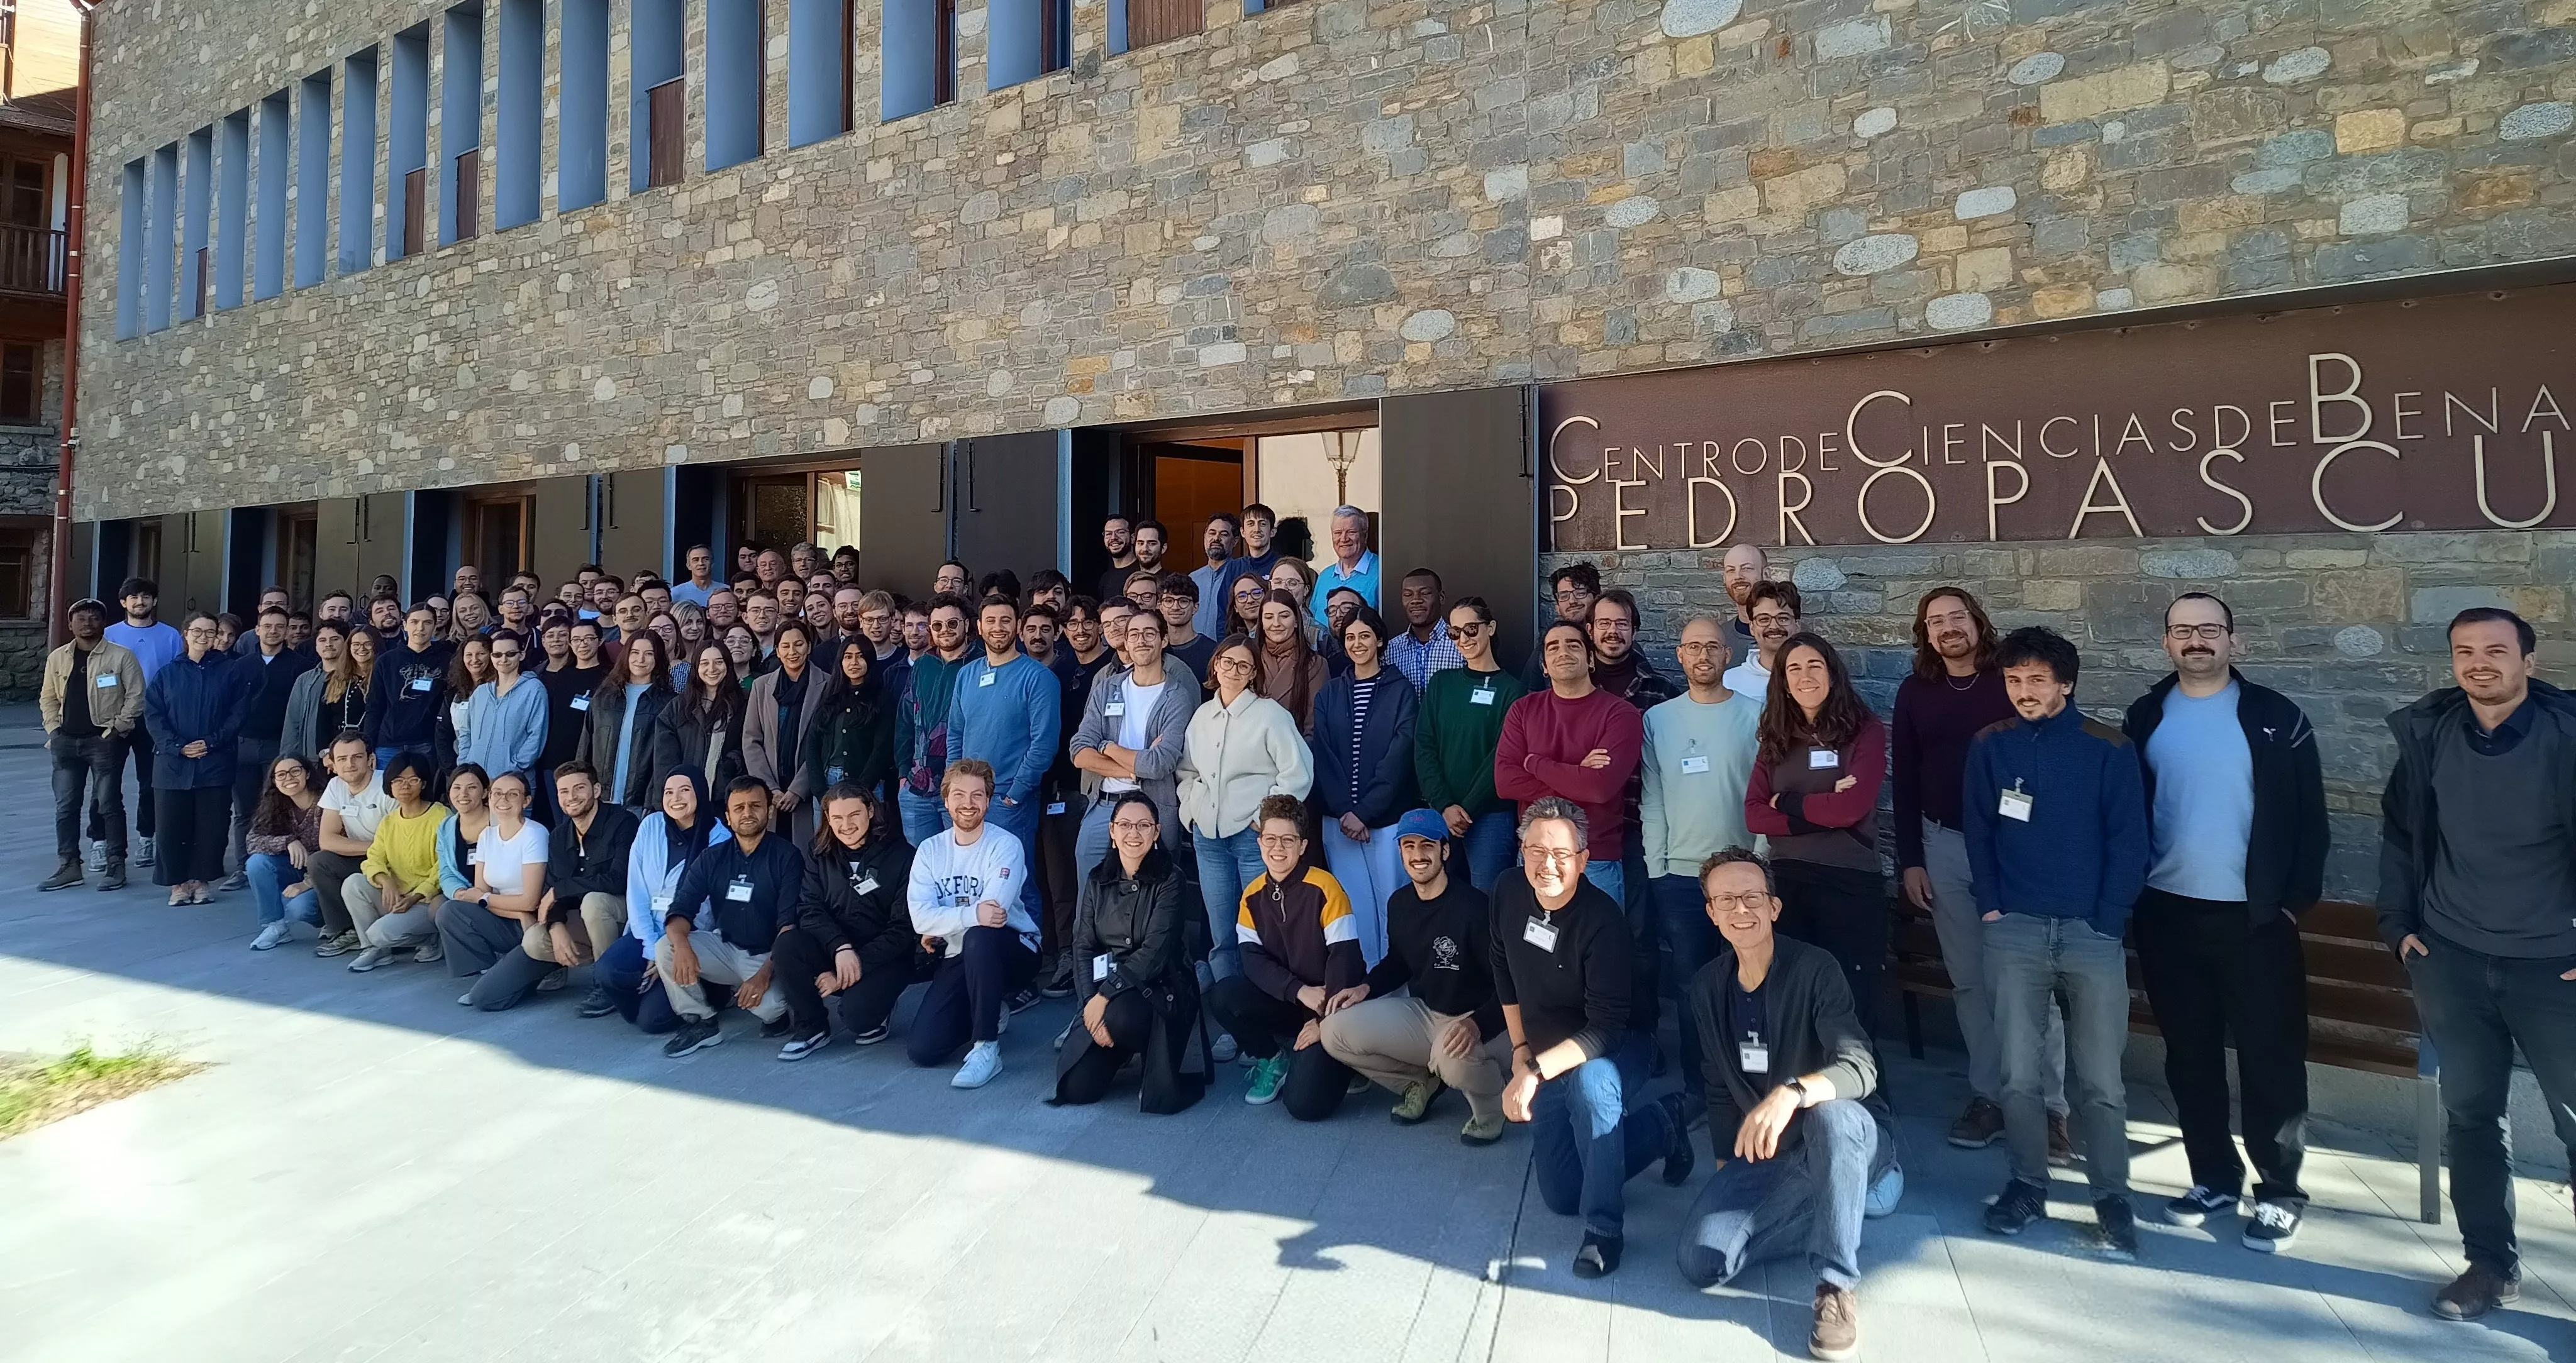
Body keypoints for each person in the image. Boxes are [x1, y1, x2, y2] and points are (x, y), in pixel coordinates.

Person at [2379, 606, 2576, 1320]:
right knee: (2472, 1119)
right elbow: (2401, 833)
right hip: (2453, 962)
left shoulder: (2567, 736)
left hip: (2556, 969)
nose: (2479, 662)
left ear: (2531, 657)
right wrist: (2399, 926)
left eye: (2496, 649)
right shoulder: (2432, 735)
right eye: (2464, 650)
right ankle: (2489, 1264)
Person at [2121, 593, 2328, 1249]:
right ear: (2166, 644)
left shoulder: (2275, 716)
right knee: (2190, 1056)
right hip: (2167, 912)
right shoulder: (2146, 714)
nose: (2197, 640)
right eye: (2183, 631)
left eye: (2210, 629)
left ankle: (2279, 1190)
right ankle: (2212, 1174)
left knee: (2271, 1059)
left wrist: (2290, 905)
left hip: (2255, 920)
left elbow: (2310, 821)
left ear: (2233, 640)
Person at [1963, 626, 2148, 1259]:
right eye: (2013, 681)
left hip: (2089, 932)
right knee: (2017, 1073)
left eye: (2036, 679)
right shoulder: (1990, 745)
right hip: (2012, 927)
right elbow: (1980, 832)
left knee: (2100, 1077)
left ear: (2065, 682)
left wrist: (2108, 916)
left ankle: (2111, 1194)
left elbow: (2129, 839)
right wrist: (1991, 904)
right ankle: (2026, 1182)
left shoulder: (2108, 747)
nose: (2023, 692)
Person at [1678, 847, 1900, 1362]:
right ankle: (1839, 1200)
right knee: (1701, 1261)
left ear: (1774, 907)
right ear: (1710, 912)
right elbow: (1716, 1083)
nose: (1741, 909)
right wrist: (1723, 1168)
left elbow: (1860, 1066)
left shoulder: (1816, 969)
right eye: (1726, 899)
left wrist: (1793, 1091)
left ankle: (1835, 1284)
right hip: (1776, 1155)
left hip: (1844, 1132)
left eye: (1753, 896)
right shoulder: (1707, 986)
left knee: (1833, 1116)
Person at [1891, 587, 2061, 1154]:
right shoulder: (1916, 692)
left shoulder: (2008, 681)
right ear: (1926, 633)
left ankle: (2050, 1106)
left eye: (1956, 617)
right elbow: (1907, 780)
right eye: (1935, 621)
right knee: (1969, 982)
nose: (1947, 629)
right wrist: (1911, 859)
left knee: (2029, 981)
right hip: (1944, 846)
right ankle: (1991, 1096)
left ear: (1977, 621)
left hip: (2016, 848)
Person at [1493, 797, 1692, 1277]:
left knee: (1592, 1085)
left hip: (1618, 1046)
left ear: (1583, 860)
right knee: (1563, 1195)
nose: (1549, 864)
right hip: (1544, 1055)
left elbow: (1604, 1029)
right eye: (1537, 850)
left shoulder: (1603, 921)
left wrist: (1533, 1072)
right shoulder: (1506, 891)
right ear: (1521, 851)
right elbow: (1503, 971)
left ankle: (1604, 1232)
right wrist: (1521, 1053)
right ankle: (1665, 1125)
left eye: (1562, 853)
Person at [1318, 808, 1511, 1141]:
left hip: (1480, 1018)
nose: (1418, 855)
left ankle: (1493, 1106)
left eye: (1427, 846)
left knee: (1451, 1061)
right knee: (1333, 1029)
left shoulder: (1476, 908)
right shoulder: (1400, 903)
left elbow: (1508, 983)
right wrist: (1366, 987)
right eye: (1409, 846)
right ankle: (1418, 1082)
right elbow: (1399, 963)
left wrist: (1476, 1025)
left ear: (1445, 851)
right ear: (1400, 852)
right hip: (1426, 1014)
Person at [1640, 612, 1764, 1106]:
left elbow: (1764, 794)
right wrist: (1657, 868)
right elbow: (1652, 798)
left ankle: (1748, 1085)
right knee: (1693, 991)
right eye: (1694, 647)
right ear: (1680, 656)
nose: (1704, 656)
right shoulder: (1659, 719)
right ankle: (1701, 1088)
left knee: (1748, 986)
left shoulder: (1755, 714)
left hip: (1743, 877)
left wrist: (1761, 863)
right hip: (1681, 878)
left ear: (1728, 656)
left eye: (1713, 647)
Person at [1740, 633, 1889, 1035]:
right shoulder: (1774, 737)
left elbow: (1851, 808)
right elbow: (1755, 815)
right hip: (1787, 881)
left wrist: (1785, 802)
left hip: (1848, 881)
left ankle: (1866, 1094)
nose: (1805, 677)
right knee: (1791, 996)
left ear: (1832, 673)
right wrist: (1824, 806)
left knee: (1853, 998)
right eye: (1794, 669)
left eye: (1814, 666)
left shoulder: (1865, 731)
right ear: (1783, 682)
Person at [1177, 635, 1316, 1027]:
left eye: (1244, 665)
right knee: (1223, 936)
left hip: (1253, 839)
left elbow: (1297, 773)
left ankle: (1273, 1020)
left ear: (1254, 673)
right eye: (1227, 663)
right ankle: (1234, 1022)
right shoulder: (1202, 717)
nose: (1234, 671)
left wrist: (1264, 817)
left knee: (1266, 933)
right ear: (1215, 666)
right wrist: (1193, 810)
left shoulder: (1270, 715)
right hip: (1208, 838)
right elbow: (1186, 772)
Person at [1204, 795, 1365, 1115]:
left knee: (1304, 1106)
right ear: (1260, 840)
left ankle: (1343, 1060)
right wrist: (1298, 991)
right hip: (1293, 999)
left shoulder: (1325, 888)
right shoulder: (1251, 896)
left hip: (1328, 1005)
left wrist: (1323, 1021)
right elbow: (1252, 961)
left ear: (1303, 845)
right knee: (1223, 995)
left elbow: (1344, 961)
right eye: (1270, 839)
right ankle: (1273, 1059)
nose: (1278, 849)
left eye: (1288, 840)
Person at [1053, 790, 1208, 1112]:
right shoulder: (1098, 879)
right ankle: (1117, 1044)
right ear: (1112, 832)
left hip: (1161, 985)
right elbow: (1083, 945)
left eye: (1143, 825)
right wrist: (1088, 1004)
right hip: (1107, 989)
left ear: (1156, 832)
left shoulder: (1172, 879)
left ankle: (1147, 1052)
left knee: (1120, 1015)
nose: (1133, 833)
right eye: (1124, 824)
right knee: (1077, 1088)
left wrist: (1103, 998)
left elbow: (1154, 952)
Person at [905, 759, 1044, 1086]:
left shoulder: (1005, 845)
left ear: (988, 799)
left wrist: (942, 925)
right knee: (923, 1050)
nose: (968, 804)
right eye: (959, 795)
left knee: (980, 937)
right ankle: (989, 1006)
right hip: (958, 952)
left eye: (977, 795)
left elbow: (994, 916)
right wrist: (966, 916)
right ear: (946, 799)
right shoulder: (929, 850)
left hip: (1015, 950)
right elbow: (919, 917)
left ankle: (987, 1048)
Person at [464, 763, 640, 1009]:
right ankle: (559, 967)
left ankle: (606, 985)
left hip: (625, 916)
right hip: (581, 920)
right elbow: (551, 891)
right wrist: (556, 926)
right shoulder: (559, 835)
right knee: (535, 939)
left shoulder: (623, 822)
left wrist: (561, 891)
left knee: (593, 902)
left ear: (597, 790)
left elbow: (618, 880)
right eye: (564, 792)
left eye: (579, 788)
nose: (572, 797)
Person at [768, 785, 923, 1057]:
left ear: (871, 811)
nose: (846, 826)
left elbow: (903, 929)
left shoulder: (902, 856)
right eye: (837, 818)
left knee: (859, 1020)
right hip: (837, 949)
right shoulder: (819, 852)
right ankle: (812, 1026)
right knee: (787, 945)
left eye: (854, 815)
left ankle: (879, 1005)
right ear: (827, 817)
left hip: (884, 956)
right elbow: (810, 909)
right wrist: (840, 948)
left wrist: (852, 966)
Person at [1495, 619, 1644, 901]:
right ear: (1544, 667)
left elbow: (1600, 789)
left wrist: (1535, 763)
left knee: (1597, 944)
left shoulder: (1620, 714)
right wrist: (1578, 775)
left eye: (1573, 645)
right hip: (1535, 855)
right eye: (1553, 647)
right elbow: (1505, 783)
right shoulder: (1523, 710)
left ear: (1590, 659)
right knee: (1534, 943)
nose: (1563, 652)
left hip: (1594, 858)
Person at [944, 595, 1061, 951]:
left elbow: (1044, 743)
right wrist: (955, 788)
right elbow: (954, 733)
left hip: (1011, 799)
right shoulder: (967, 674)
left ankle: (1027, 960)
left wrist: (1017, 792)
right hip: (967, 800)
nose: (998, 627)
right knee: (972, 880)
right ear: (978, 628)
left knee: (1017, 883)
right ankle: (978, 959)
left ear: (1018, 628)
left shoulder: (1038, 677)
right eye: (990, 621)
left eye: (1006, 620)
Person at [655, 777, 804, 1056]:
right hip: (723, 946)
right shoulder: (712, 858)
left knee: (771, 1008)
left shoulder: (788, 857)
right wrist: (683, 945)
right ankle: (702, 1020)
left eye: (755, 806)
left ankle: (776, 1017)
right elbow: (681, 908)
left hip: (767, 955)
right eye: (739, 808)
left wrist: (762, 976)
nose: (747, 814)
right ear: (727, 817)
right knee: (666, 946)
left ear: (770, 810)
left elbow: (790, 927)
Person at [583, 766, 731, 1031]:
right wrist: (652, 947)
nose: (676, 798)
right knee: (607, 972)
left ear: (700, 792)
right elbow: (637, 890)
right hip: (647, 930)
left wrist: (665, 950)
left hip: (688, 937)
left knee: (653, 1022)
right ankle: (653, 994)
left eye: (685, 790)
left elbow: (708, 909)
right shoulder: (650, 826)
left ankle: (713, 991)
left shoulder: (719, 838)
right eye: (668, 792)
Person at [1309, 604, 1418, 964]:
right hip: (1339, 822)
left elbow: (1399, 756)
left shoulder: (1401, 690)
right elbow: (1324, 756)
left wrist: (1366, 811)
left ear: (1380, 640)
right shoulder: (1329, 694)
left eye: (1365, 636)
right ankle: (1367, 983)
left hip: (1385, 822)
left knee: (1392, 904)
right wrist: (1346, 812)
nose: (1357, 644)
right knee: (1353, 908)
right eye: (1350, 637)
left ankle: (1396, 988)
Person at [1411, 596, 1524, 892]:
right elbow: (1424, 746)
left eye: (1471, 629)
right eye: (1454, 632)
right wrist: (1445, 804)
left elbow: (1502, 755)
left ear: (1491, 628)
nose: (1463, 639)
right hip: (1440, 812)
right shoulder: (1441, 683)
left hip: (1490, 816)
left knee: (1487, 901)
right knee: (1439, 900)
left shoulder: (1513, 690)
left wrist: (1467, 808)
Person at [142, 612, 251, 907]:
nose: (204, 637)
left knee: (211, 826)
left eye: (210, 632)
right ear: (185, 634)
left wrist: (212, 741)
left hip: (214, 760)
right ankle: (178, 884)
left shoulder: (230, 671)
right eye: (197, 631)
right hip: (172, 763)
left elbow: (237, 713)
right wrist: (177, 746)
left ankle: (201, 881)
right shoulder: (168, 673)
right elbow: (154, 715)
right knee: (171, 826)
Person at [40, 598, 145, 892]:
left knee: (108, 804)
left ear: (104, 623)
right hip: (65, 743)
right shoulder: (57, 658)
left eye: (94, 618)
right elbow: (48, 697)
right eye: (80, 618)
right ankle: (69, 865)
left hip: (103, 741)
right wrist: (54, 730)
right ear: (70, 624)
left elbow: (136, 696)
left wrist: (116, 730)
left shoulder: (122, 657)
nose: (87, 623)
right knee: (65, 807)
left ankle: (115, 865)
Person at [433, 770, 554, 1003]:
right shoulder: (487, 836)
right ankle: (488, 972)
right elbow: (480, 896)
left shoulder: (535, 834)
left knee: (493, 1001)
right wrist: (517, 911)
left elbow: (531, 901)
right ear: (489, 798)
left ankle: (538, 970)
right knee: (451, 910)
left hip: (536, 924)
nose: (503, 800)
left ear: (526, 801)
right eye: (498, 793)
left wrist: (491, 900)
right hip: (514, 918)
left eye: (512, 794)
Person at [223, 606, 316, 889]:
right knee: (244, 810)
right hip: (244, 745)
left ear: (287, 630)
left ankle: (283, 863)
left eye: (280, 626)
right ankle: (243, 867)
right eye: (268, 626)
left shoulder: (299, 666)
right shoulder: (241, 665)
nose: (273, 631)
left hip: (280, 747)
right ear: (258, 629)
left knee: (279, 806)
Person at [341, 752, 455, 972]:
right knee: (353, 883)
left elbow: (444, 866)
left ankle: (430, 939)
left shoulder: (442, 817)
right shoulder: (389, 821)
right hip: (396, 896)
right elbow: (373, 858)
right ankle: (375, 951)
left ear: (423, 783)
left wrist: (415, 896)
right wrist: (386, 881)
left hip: (425, 901)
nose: (405, 786)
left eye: (412, 780)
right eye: (398, 780)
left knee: (380, 933)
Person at [101, 577, 185, 869]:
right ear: (123, 603)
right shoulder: (108, 634)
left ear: (155, 601)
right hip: (115, 718)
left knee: (150, 782)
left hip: (155, 720)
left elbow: (177, 677)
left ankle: (147, 837)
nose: (140, 602)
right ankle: (101, 841)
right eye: (133, 597)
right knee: (106, 783)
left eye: (146, 597)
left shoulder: (171, 636)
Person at [892, 594, 974, 844]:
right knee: (923, 867)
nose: (945, 630)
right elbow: (905, 720)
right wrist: (904, 772)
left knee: (965, 863)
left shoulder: (982, 662)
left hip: (964, 786)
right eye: (937, 625)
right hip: (918, 786)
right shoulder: (922, 665)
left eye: (952, 624)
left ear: (967, 625)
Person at [308, 732, 395, 956]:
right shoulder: (336, 786)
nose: (350, 764)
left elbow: (399, 842)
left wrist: (376, 850)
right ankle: (347, 932)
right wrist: (373, 847)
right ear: (334, 764)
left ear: (371, 759)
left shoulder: (388, 786)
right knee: (320, 861)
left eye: (357, 757)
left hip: (393, 861)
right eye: (342, 759)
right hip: (367, 853)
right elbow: (327, 840)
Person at [745, 619, 828, 837]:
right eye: (785, 646)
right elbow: (751, 740)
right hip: (771, 790)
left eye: (799, 644)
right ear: (777, 651)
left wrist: (798, 789)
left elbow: (825, 743)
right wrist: (769, 788)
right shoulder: (761, 686)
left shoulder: (828, 685)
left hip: (808, 792)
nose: (793, 651)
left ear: (809, 647)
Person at [802, 641, 899, 816]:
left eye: (860, 656)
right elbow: (812, 743)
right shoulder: (830, 695)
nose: (854, 662)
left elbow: (882, 750)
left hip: (867, 785)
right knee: (826, 841)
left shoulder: (882, 698)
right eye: (848, 657)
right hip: (828, 781)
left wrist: (862, 789)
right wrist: (819, 790)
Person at [648, 642, 750, 802]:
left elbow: (750, 744)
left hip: (727, 797)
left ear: (728, 665)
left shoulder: (744, 702)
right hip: (684, 798)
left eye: (719, 662)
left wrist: (731, 763)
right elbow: (664, 760)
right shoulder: (678, 706)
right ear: (696, 667)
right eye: (705, 663)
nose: (712, 669)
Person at [244, 754, 326, 949]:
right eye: (280, 775)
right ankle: (275, 926)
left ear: (307, 773)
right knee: (257, 863)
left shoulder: (326, 801)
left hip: (325, 875)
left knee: (300, 909)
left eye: (295, 771)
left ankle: (335, 922)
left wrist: (307, 883)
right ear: (274, 781)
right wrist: (288, 841)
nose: (288, 778)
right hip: (293, 869)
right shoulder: (275, 804)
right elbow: (252, 841)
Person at [586, 630, 675, 808]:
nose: (640, 659)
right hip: (601, 799)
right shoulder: (604, 697)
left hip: (641, 802)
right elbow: (586, 746)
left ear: (658, 659)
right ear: (625, 655)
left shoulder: (669, 703)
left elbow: (668, 758)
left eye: (649, 654)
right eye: (635, 653)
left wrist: (655, 802)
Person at [364, 603, 453, 769]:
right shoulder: (386, 661)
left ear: (435, 627)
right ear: (404, 625)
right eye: (414, 622)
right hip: (388, 744)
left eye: (427, 623)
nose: (420, 628)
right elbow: (374, 707)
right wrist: (368, 748)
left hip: (427, 743)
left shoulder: (448, 661)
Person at [460, 629, 547, 790]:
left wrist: (514, 767)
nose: (504, 659)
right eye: (497, 655)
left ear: (521, 655)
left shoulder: (534, 689)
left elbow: (536, 735)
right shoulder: (481, 692)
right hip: (476, 782)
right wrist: (465, 762)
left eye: (511, 654)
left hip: (514, 782)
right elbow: (466, 732)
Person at [539, 620, 610, 803]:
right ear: (570, 644)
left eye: (589, 638)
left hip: (588, 763)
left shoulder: (609, 677)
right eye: (577, 639)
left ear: (600, 641)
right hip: (554, 762)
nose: (583, 644)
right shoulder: (563, 675)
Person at [284, 622, 370, 763]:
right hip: (311, 758)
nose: (328, 644)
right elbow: (293, 724)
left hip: (352, 755)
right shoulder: (304, 680)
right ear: (316, 646)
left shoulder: (360, 679)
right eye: (322, 640)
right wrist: (290, 758)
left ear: (346, 643)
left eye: (335, 639)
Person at [1254, 590, 1328, 735]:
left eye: (1284, 616)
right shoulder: (1249, 660)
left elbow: (1314, 729)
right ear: (1261, 623)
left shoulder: (1316, 665)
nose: (1276, 624)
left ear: (1296, 621)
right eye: (1269, 617)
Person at [1518, 562, 1599, 690]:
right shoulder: (1542, 652)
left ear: (1596, 599)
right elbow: (1530, 699)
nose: (1572, 601)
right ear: (1557, 607)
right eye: (1564, 596)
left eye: (1580, 593)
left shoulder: (1613, 644)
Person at [1384, 568, 1462, 692]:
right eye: (1408, 595)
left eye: (1425, 593)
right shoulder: (1390, 650)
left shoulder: (1461, 643)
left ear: (1441, 598)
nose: (1416, 600)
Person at [1723, 581, 1801, 699]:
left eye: (1783, 618)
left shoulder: (1811, 678)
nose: (1774, 626)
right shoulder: (1730, 682)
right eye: (1764, 619)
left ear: (1797, 626)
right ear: (1752, 628)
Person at [1313, 505, 1380, 624]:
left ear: (1365, 535)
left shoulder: (1381, 572)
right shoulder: (1325, 577)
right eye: (1338, 533)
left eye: (1351, 532)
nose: (1343, 539)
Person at [1213, 502, 1280, 606]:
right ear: (1243, 532)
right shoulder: (1233, 567)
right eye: (1250, 524)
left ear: (1272, 531)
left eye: (1262, 524)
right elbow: (1224, 608)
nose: (1257, 529)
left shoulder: (1282, 566)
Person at [1155, 573, 1217, 682]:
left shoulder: (1213, 651)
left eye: (1183, 601)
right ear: (1160, 607)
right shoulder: (1154, 648)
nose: (1175, 607)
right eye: (1169, 601)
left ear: (1195, 608)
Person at [1189, 512, 1238, 641]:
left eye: (1224, 534)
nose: (1216, 538)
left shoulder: (1240, 576)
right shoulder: (1192, 579)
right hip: (1193, 651)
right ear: (1205, 537)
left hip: (1226, 651)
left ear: (1235, 541)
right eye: (1212, 533)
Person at [1719, 543, 1767, 665]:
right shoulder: (1719, 638)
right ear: (1724, 578)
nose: (1738, 577)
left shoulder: (1790, 631)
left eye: (1746, 568)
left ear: (1766, 574)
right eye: (1731, 570)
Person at [1096, 513, 1138, 603]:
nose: (1114, 538)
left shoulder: (1142, 572)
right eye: (1108, 534)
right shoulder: (1105, 578)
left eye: (1120, 532)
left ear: (1133, 538)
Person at [673, 544, 718, 608]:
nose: (701, 563)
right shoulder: (676, 593)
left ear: (712, 564)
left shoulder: (726, 590)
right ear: (689, 566)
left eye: (706, 559)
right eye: (696, 560)